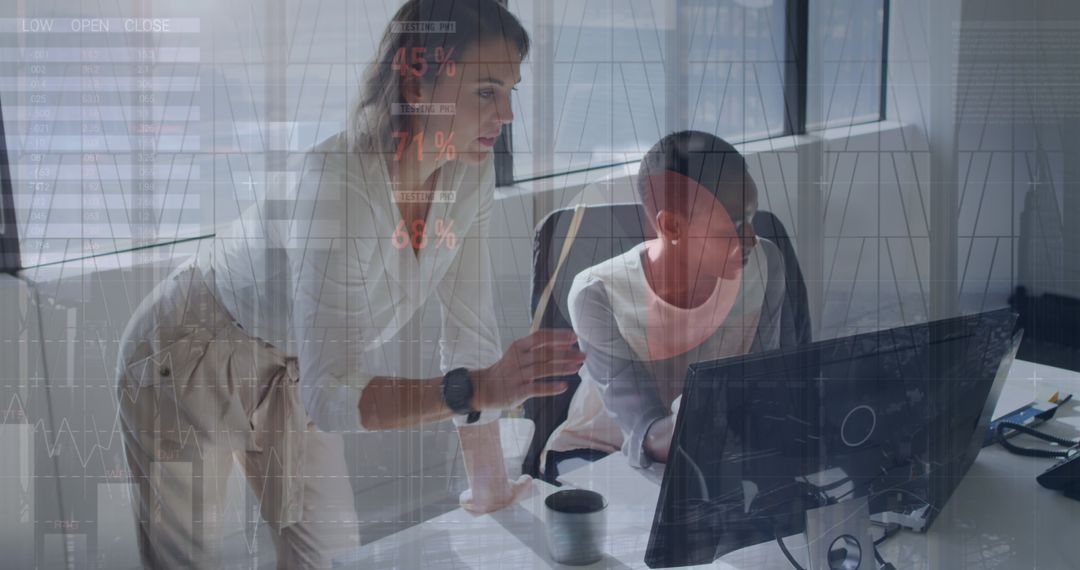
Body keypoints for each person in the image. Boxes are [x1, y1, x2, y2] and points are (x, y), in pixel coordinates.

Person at [114, 1, 583, 568]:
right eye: (487, 91)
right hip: (189, 354)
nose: (507, 113)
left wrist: (490, 489)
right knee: (189, 561)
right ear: (416, 82)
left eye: (511, 89)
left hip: (296, 368)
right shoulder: (335, 187)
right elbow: (338, 394)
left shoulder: (470, 174)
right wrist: (475, 389)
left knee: (331, 559)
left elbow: (470, 335)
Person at [541, 130, 792, 478]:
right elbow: (645, 426)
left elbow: (760, 384)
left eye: (750, 218)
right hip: (603, 454)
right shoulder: (597, 294)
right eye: (734, 226)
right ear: (672, 226)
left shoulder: (766, 264)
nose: (750, 238)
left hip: (709, 447)